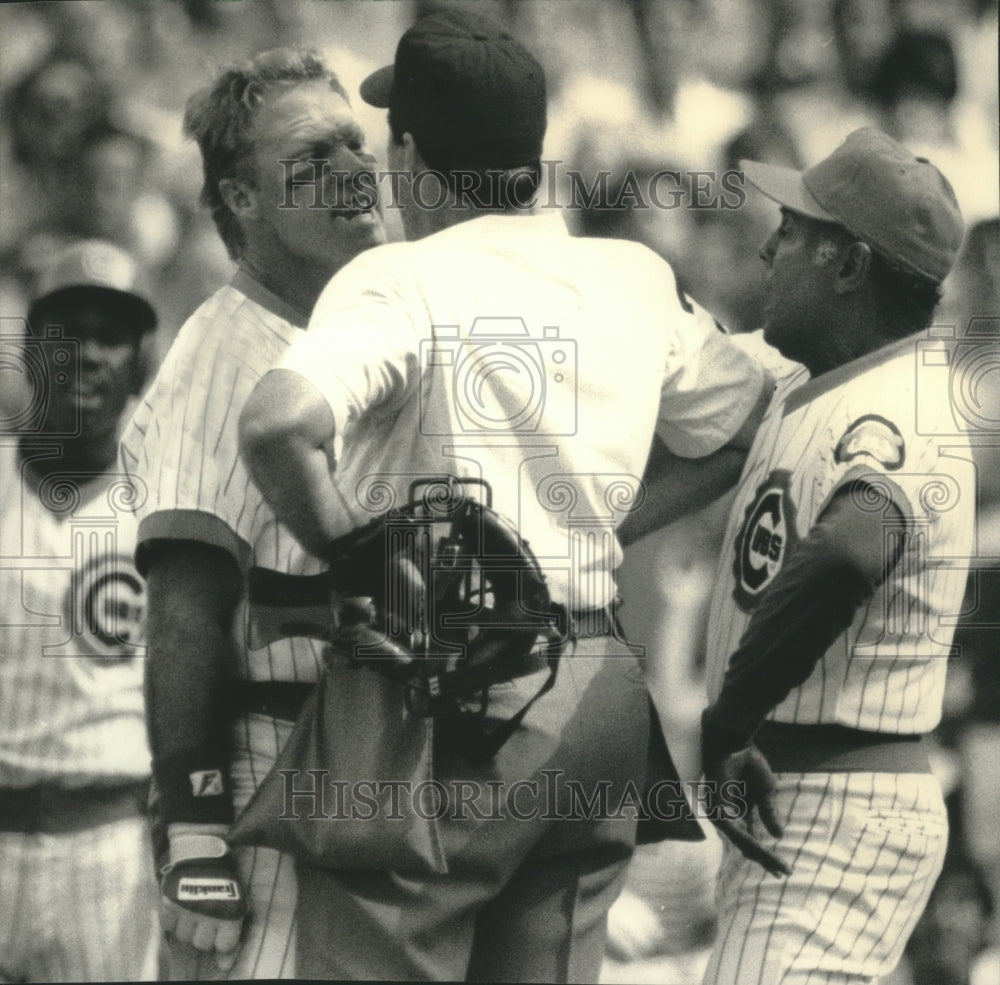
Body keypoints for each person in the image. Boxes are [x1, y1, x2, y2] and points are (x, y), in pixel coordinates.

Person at [238, 8, 773, 982]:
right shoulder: (631, 272)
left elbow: (277, 423)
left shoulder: (397, 278)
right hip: (594, 685)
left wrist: (363, 561)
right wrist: (603, 521)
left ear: (410, 155)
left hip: (442, 678)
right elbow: (744, 423)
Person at [118, 47, 386, 979]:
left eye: (356, 143)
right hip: (266, 770)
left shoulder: (348, 331)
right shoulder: (225, 354)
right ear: (242, 200)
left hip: (364, 762)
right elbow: (185, 613)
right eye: (314, 155)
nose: (356, 171)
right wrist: (194, 833)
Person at [698, 127, 975, 984]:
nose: (767, 244)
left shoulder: (911, 407)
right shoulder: (816, 377)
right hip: (808, 795)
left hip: (838, 801)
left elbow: (849, 554)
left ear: (850, 267)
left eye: (795, 229)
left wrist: (727, 721)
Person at [0, 239, 159, 982]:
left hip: (106, 852)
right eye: (69, 334)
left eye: (112, 336)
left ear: (140, 364)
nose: (90, 355)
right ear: (33, 351)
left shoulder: (166, 506)